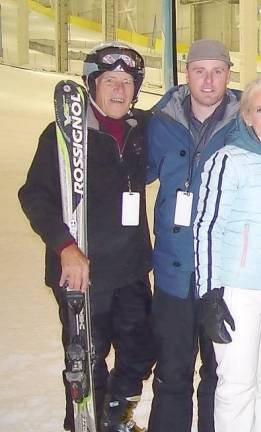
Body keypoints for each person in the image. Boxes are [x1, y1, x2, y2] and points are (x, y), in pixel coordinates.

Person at [18, 41, 154, 432]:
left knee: (141, 351)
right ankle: (82, 422)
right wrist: (65, 247)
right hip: (83, 271)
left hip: (130, 268)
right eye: (109, 80)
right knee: (86, 360)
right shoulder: (62, 136)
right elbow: (34, 196)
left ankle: (114, 416)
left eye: (127, 82)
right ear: (92, 85)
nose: (119, 90)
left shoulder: (140, 129)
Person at [193, 75, 261, 432]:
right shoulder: (228, 160)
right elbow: (207, 228)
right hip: (239, 292)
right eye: (260, 110)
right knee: (238, 386)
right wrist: (210, 294)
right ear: (247, 116)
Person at [146, 39, 241, 432]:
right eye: (200, 70)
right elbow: (128, 173)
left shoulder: (246, 122)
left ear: (228, 75)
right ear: (186, 74)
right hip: (174, 268)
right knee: (172, 370)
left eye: (217, 71)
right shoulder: (160, 121)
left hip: (224, 272)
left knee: (219, 373)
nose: (208, 79)